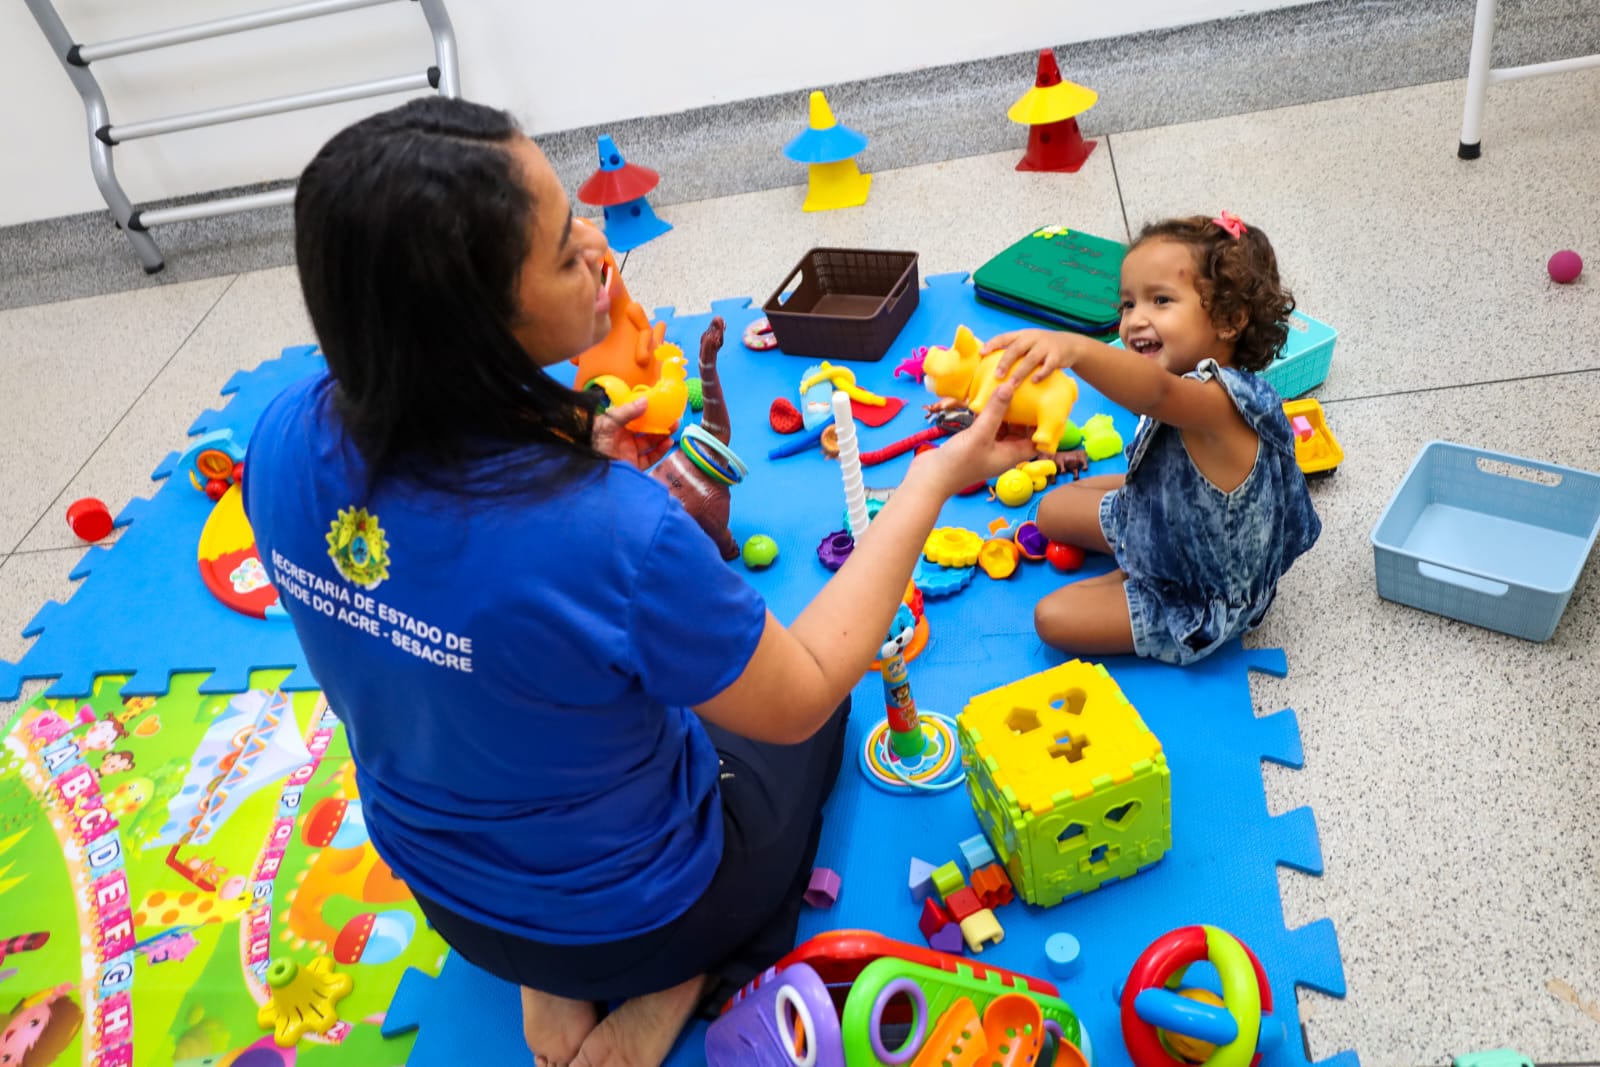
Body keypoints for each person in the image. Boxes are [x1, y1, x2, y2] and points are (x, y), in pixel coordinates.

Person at [242, 96, 1035, 1067]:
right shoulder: (613, 529)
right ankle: (678, 976)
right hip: (641, 913)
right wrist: (932, 476)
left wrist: (560, 450)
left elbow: (446, 598)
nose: (593, 239)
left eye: (574, 206)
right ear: (478, 326)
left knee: (546, 696)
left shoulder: (283, 433)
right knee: (826, 701)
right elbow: (797, 694)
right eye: (559, 245)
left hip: (447, 893)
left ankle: (553, 984)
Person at [983, 213, 1321, 666]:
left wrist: (1078, 348)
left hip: (1201, 591)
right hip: (1164, 523)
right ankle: (1136, 561)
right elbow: (1146, 396)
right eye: (1127, 304)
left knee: (1052, 619)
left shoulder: (1219, 401)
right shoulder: (1179, 376)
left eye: (1160, 300)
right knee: (1048, 512)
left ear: (1228, 320)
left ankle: (1136, 575)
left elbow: (1157, 394)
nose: (1135, 319)